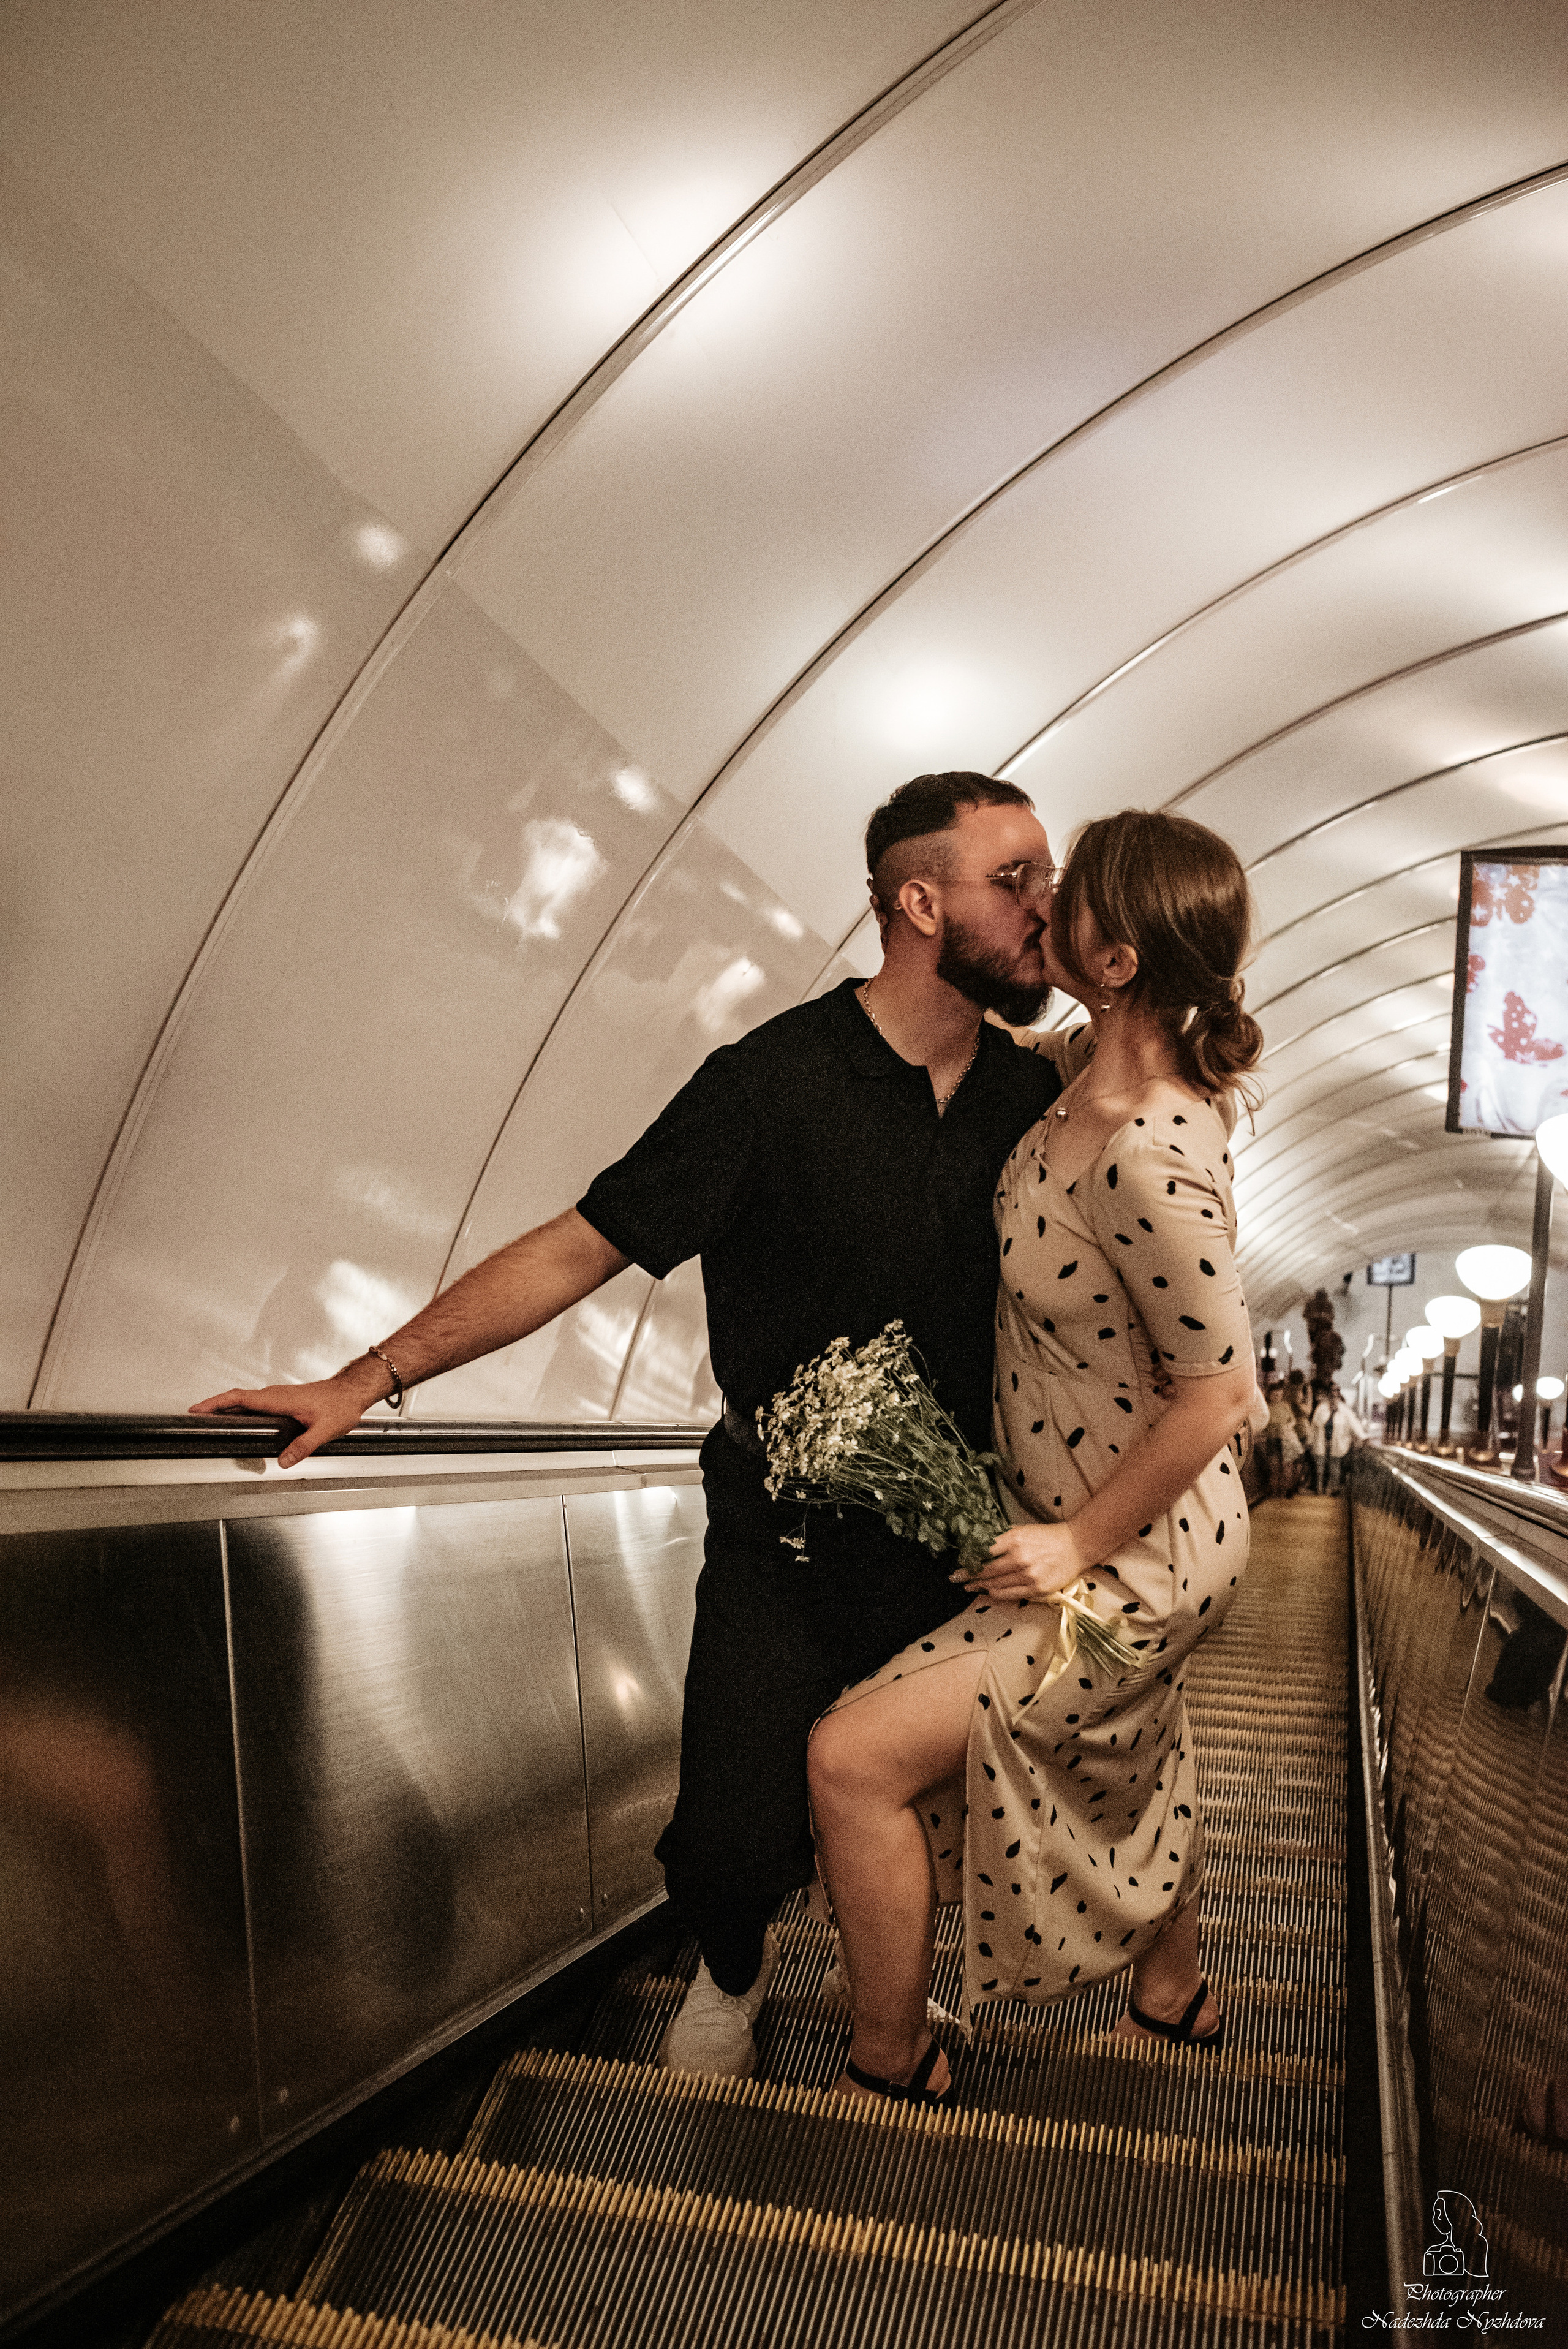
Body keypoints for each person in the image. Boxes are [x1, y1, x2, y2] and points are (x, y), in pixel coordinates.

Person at [190, 770, 1068, 2080]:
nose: (1045, 907)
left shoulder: (1034, 1102)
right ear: (917, 901)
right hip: (783, 1551)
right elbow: (580, 1250)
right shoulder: (766, 1087)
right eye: (1016, 881)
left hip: (957, 1549)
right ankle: (734, 1958)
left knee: (946, 1809)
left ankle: (889, 2011)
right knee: (727, 1843)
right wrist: (364, 1379)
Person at [807, 808, 1264, 2104]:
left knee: (850, 1761)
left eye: (1059, 898)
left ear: (1116, 962)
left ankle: (893, 2062)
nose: (1037, 908)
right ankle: (1173, 1996)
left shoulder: (1144, 1153)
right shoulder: (1074, 1073)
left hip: (1134, 1550)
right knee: (1120, 1734)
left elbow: (1215, 1395)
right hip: (1072, 1515)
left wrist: (1072, 1542)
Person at [1313, 1383, 1366, 1495]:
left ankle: (1333, 1489)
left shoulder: (1345, 1410)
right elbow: (1314, 1425)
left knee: (1335, 1467)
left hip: (1337, 1443)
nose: (1334, 1394)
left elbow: (1354, 1423)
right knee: (1320, 1468)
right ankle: (1319, 1488)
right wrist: (1310, 1441)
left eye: (1336, 1392)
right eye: (1332, 1392)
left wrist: (1362, 1436)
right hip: (1322, 1442)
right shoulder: (1321, 1408)